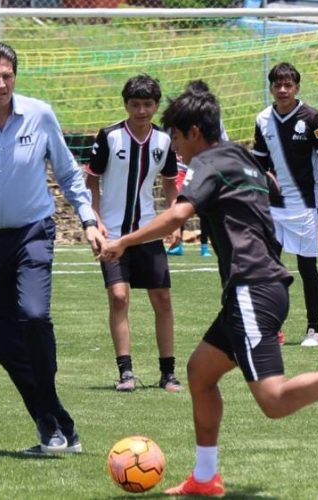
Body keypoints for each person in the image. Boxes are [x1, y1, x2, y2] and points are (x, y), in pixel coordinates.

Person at [98, 86, 318, 497]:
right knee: (200, 373)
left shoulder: (207, 162)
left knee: (274, 400)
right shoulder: (243, 157)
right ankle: (206, 477)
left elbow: (178, 213)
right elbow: (272, 192)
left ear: (193, 132)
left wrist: (124, 242)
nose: (173, 147)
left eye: (175, 137)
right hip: (258, 288)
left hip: (252, 288)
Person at [0, 40, 105, 456]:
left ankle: (51, 423)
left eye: (7, 75)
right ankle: (55, 421)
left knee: (32, 316)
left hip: (32, 233)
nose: (0, 83)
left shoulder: (40, 114)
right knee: (3, 345)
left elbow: (67, 172)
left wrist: (89, 219)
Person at [85, 74, 183, 393]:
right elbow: (91, 181)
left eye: (148, 105)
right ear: (126, 105)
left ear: (156, 106)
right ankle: (126, 372)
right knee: (118, 297)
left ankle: (168, 373)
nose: (141, 111)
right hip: (112, 233)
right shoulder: (109, 137)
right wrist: (95, 220)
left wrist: (174, 217)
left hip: (148, 232)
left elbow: (170, 182)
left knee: (163, 299)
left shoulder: (164, 140)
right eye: (135, 104)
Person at [251, 63, 318, 347]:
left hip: (304, 205)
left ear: (297, 87)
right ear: (271, 88)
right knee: (270, 268)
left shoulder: (313, 117)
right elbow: (259, 164)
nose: (283, 90)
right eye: (278, 85)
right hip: (273, 207)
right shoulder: (263, 119)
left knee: (307, 267)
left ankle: (313, 329)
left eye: (288, 85)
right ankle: (272, 328)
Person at [167, 80, 227, 258]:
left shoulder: (215, 123)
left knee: (204, 211)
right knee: (181, 202)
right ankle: (177, 242)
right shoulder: (179, 118)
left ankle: (204, 245)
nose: (174, 146)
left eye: (177, 139)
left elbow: (223, 142)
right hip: (182, 169)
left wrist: (127, 240)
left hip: (204, 170)